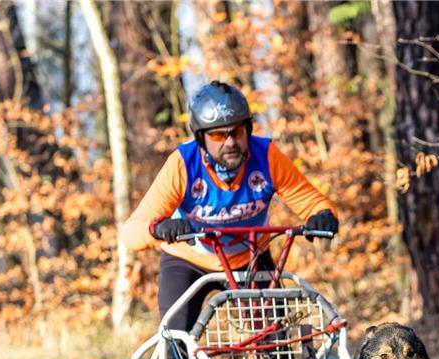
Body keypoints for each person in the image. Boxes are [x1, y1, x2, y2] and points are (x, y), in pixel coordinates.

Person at [122, 80, 339, 332]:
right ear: (201, 138)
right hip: (187, 259)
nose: (230, 142)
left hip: (251, 257)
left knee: (274, 345)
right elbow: (131, 233)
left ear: (247, 129)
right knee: (174, 341)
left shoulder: (267, 157)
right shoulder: (183, 164)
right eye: (217, 135)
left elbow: (313, 201)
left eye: (236, 132)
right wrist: (159, 228)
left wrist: (323, 216)